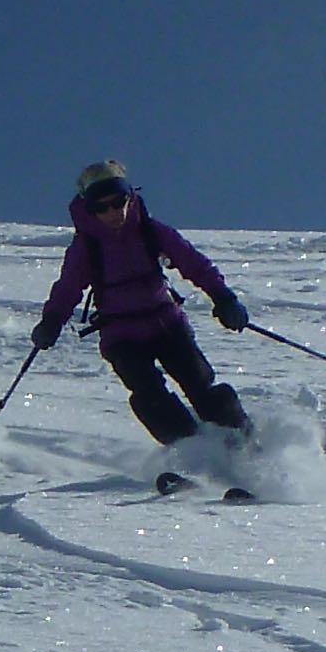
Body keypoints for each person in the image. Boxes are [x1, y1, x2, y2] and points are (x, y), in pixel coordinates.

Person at [31, 158, 253, 447]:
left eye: (118, 201)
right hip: (121, 336)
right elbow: (68, 288)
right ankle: (194, 453)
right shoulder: (86, 248)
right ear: (90, 209)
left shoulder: (150, 231)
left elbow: (193, 263)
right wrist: (51, 322)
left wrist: (224, 298)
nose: (112, 212)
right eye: (101, 207)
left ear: (129, 197)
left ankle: (243, 442)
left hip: (167, 324)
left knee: (201, 385)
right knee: (149, 397)